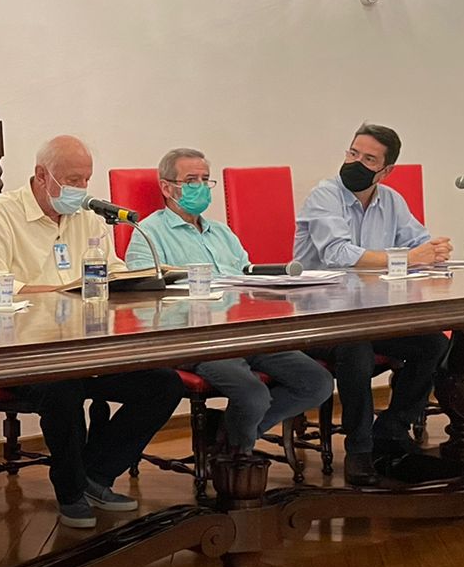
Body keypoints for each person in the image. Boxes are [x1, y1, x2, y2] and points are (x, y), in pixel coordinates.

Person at [0, 135, 185, 528]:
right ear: (41, 175)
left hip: (88, 349)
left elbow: (112, 270)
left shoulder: (89, 217)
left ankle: (95, 475)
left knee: (163, 384)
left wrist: (142, 280)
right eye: (72, 180)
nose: (81, 189)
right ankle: (70, 492)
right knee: (62, 388)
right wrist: (62, 292)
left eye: (86, 179)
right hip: (22, 352)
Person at [125, 149, 332, 458]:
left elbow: (246, 277)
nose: (200, 187)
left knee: (317, 382)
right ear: (167, 187)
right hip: (196, 339)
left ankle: (226, 436)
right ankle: (237, 458)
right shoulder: (148, 234)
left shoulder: (221, 233)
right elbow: (143, 297)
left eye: (205, 180)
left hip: (243, 332)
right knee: (253, 395)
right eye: (191, 180)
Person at [293, 124, 451, 486]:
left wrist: (436, 251)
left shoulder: (391, 200)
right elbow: (337, 254)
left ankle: (392, 429)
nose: (355, 163)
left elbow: (420, 243)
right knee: (357, 349)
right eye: (353, 153)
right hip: (319, 317)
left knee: (434, 344)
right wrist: (410, 258)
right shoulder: (325, 196)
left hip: (372, 316)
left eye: (368, 159)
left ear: (386, 170)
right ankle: (360, 450)